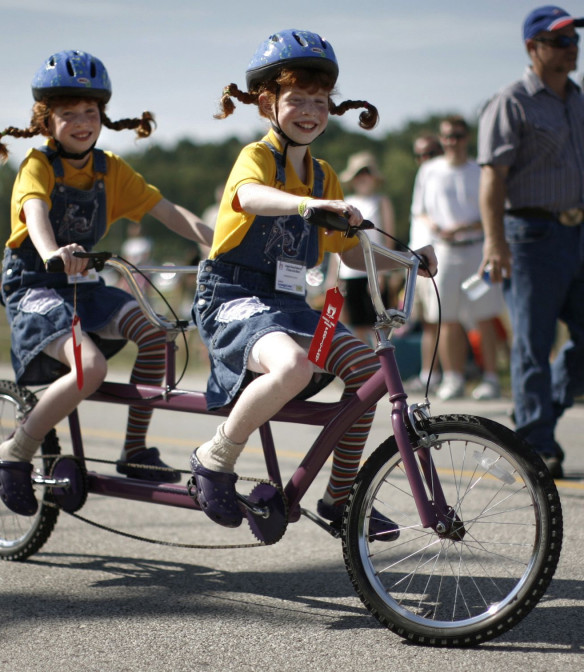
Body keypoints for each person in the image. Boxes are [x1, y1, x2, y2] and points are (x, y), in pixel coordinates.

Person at [189, 29, 437, 532]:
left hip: (286, 303)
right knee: (295, 367)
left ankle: (339, 500)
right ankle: (214, 459)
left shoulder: (325, 175)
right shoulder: (257, 158)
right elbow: (250, 197)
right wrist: (308, 205)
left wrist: (409, 258)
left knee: (368, 374)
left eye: (321, 101)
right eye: (297, 99)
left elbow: (350, 251)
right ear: (267, 103)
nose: (310, 111)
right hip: (233, 297)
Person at [0, 49, 213, 515]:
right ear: (46, 121)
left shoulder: (111, 169)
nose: (82, 122)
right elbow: (35, 213)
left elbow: (168, 211)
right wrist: (52, 252)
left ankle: (135, 450)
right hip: (35, 285)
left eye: (90, 112)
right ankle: (13, 453)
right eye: (68, 114)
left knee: (156, 335)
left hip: (85, 284)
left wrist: (220, 245)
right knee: (90, 368)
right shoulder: (38, 166)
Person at [478, 6, 584, 478]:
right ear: (532, 48)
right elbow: (493, 180)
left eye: (573, 39)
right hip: (531, 235)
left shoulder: (583, 105)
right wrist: (494, 242)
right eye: (559, 41)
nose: (570, 47)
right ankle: (538, 443)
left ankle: (535, 422)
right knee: (532, 345)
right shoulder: (511, 101)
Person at [412, 115, 505, 401]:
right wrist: (435, 227)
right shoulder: (429, 170)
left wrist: (468, 227)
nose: (453, 141)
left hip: (477, 249)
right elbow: (420, 210)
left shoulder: (480, 169)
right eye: (448, 136)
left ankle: (491, 378)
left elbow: (495, 211)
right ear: (442, 139)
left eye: (458, 135)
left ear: (467, 137)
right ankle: (453, 377)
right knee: (446, 316)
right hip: (444, 251)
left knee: (484, 315)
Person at [332, 151, 396, 344]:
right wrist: (334, 278)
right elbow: (337, 243)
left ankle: (383, 367)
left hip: (372, 270)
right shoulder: (346, 203)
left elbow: (388, 239)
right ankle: (367, 367)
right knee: (357, 324)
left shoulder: (381, 201)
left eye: (366, 172)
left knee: (379, 324)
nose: (362, 178)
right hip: (349, 272)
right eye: (358, 174)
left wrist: (382, 272)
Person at [405, 133, 445, 393]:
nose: (425, 160)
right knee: (426, 323)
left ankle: (446, 374)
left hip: (438, 259)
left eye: (430, 153)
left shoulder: (442, 177)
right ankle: (430, 373)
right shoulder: (425, 176)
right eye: (420, 155)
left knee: (440, 318)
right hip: (416, 259)